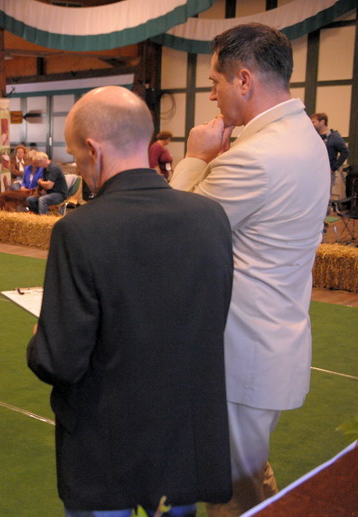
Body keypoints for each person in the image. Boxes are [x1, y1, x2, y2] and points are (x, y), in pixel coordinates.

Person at [27, 85, 234, 516]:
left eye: (76, 156)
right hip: (184, 438)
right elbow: (211, 318)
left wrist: (41, 338)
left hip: (104, 445)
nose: (79, 168)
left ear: (93, 149)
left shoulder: (78, 230)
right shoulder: (211, 216)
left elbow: (58, 361)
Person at [169, 23, 331, 516]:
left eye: (214, 82)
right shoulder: (303, 137)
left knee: (232, 493)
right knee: (249, 477)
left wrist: (194, 157)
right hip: (268, 340)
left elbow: (173, 236)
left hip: (241, 353)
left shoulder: (257, 156)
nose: (211, 95)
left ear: (243, 80)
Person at [311, 113, 349, 191]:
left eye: (313, 122)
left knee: (325, 193)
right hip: (314, 171)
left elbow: (345, 152)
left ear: (322, 122)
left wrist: (333, 168)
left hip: (327, 173)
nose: (312, 124)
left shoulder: (334, 137)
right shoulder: (313, 136)